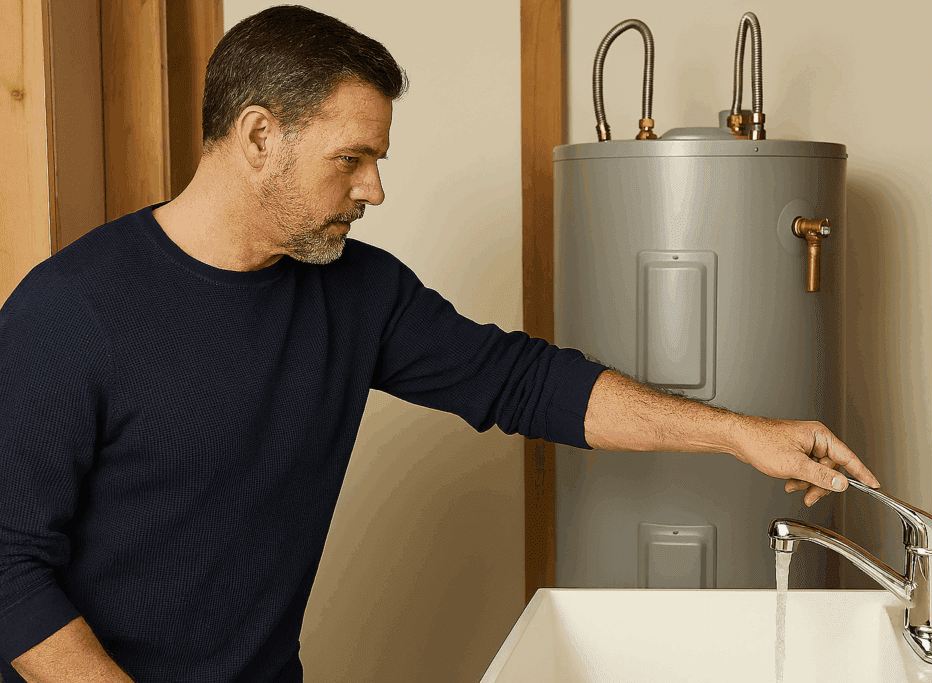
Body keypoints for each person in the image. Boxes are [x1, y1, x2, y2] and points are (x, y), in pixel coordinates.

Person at [0, 6, 878, 682]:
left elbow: (524, 381)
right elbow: (8, 567)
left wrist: (738, 433)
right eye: (352, 159)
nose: (375, 188)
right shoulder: (71, 310)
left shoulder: (360, 292)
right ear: (260, 136)